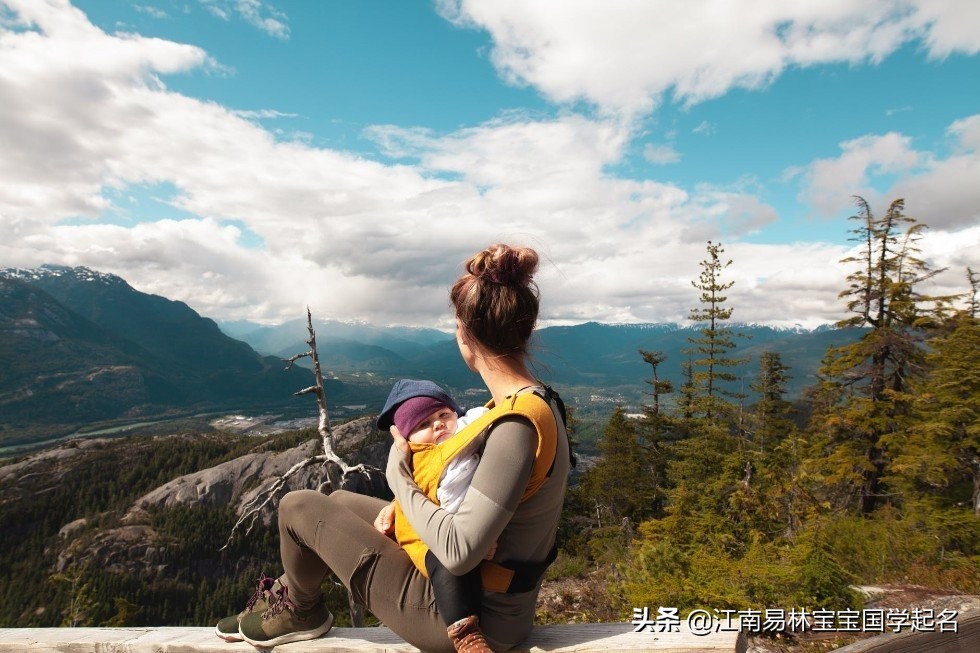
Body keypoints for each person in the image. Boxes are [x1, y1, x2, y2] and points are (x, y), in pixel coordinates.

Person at [215, 243, 571, 652]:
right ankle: (288, 597)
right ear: (525, 329)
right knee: (342, 502)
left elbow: (457, 553)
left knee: (298, 506)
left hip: (471, 619)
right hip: (489, 596)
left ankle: (302, 608)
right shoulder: (533, 402)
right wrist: (407, 507)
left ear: (464, 335)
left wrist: (399, 478)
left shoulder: (515, 426)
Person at [374, 378, 492, 651]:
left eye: (443, 415)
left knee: (461, 560)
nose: (438, 424)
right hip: (427, 537)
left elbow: (482, 416)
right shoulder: (421, 458)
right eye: (423, 424)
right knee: (447, 563)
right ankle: (466, 635)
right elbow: (421, 489)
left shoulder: (461, 435)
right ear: (407, 438)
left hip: (466, 526)